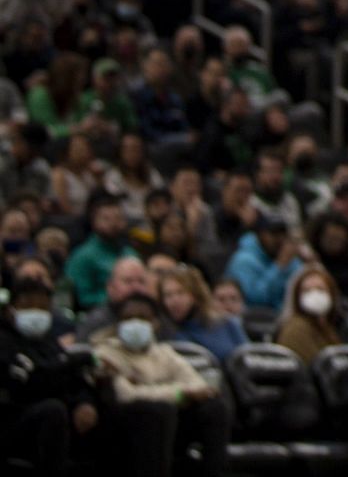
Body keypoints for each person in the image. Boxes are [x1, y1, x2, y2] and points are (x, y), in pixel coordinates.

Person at [92, 290, 234, 476]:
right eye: (128, 318)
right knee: (159, 410)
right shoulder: (105, 354)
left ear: (155, 324)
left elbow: (197, 384)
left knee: (214, 407)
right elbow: (126, 394)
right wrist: (178, 394)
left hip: (170, 423)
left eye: (142, 318)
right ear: (118, 324)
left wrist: (164, 390)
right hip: (127, 424)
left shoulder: (164, 353)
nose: (135, 324)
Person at [0, 273, 99, 471]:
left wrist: (84, 402)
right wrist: (73, 362)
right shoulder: (5, 340)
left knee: (99, 411)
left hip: (56, 417)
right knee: (53, 410)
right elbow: (29, 383)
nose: (36, 313)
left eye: (42, 308)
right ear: (11, 310)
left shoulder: (49, 342)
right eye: (28, 307)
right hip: (14, 420)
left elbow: (76, 380)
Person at [65, 190, 139, 310]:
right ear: (94, 222)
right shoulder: (83, 256)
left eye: (118, 218)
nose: (113, 224)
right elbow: (81, 297)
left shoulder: (130, 253)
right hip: (99, 314)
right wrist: (116, 296)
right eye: (106, 219)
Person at [161, 264, 248, 361]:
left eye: (180, 293)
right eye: (168, 295)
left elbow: (248, 360)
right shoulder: (166, 334)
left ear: (196, 294)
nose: (174, 301)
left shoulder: (228, 324)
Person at [224, 211, 301, 309]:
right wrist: (279, 266)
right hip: (253, 319)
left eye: (283, 234)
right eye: (274, 234)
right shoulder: (243, 261)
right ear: (260, 235)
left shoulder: (290, 260)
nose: (280, 239)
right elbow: (256, 299)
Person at [274, 265, 346, 364]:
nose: (315, 295)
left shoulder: (328, 329)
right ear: (297, 297)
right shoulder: (296, 329)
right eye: (307, 291)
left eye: (320, 289)